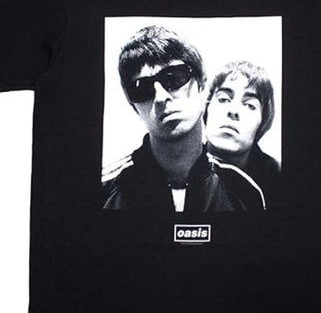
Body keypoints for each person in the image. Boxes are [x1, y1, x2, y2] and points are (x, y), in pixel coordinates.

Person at [102, 26, 266, 212]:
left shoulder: (244, 192)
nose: (161, 97)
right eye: (142, 88)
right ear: (134, 107)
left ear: (203, 87)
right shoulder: (103, 190)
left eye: (174, 79)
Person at [205, 60, 281, 210]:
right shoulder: (179, 169)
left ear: (263, 122)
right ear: (206, 109)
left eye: (249, 105)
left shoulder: (279, 181)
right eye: (223, 99)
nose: (233, 111)